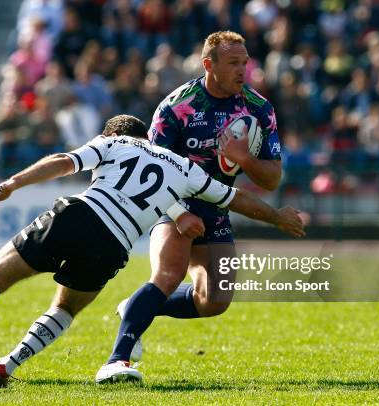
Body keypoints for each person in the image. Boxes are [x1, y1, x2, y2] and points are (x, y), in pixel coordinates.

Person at [0, 114, 304, 390]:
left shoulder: (114, 143)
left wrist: (13, 183)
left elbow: (65, 160)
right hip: (114, 245)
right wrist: (277, 216)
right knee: (65, 308)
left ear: (113, 134)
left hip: (79, 217)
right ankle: (8, 366)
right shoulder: (182, 166)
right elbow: (234, 197)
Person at [98, 31, 284, 382]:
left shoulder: (259, 108)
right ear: (208, 65)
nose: (243, 70)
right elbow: (150, 169)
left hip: (219, 206)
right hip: (173, 202)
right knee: (168, 274)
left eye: (245, 62)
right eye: (233, 63)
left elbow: (272, 177)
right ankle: (117, 360)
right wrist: (178, 214)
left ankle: (137, 307)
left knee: (215, 299)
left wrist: (245, 158)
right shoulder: (176, 107)